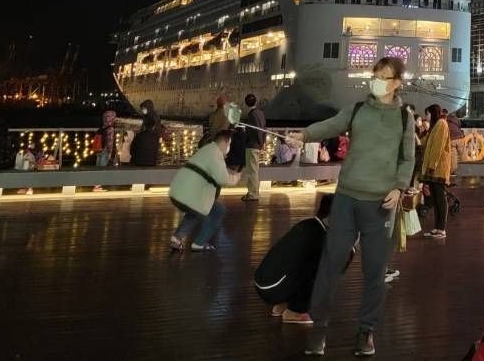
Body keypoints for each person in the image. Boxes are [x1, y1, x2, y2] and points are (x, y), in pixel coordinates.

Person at [302, 56, 418, 358]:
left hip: (381, 205)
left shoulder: (405, 119)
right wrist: (303, 134)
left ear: (396, 83)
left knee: (375, 271)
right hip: (346, 199)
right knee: (330, 262)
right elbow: (330, 125)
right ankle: (318, 329)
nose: (377, 80)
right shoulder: (356, 110)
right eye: (375, 74)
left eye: (384, 76)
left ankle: (366, 331)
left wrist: (399, 186)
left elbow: (407, 159)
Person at [254, 194, 348, 325]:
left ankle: (283, 303)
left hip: (264, 283)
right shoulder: (320, 237)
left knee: (306, 264)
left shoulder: (309, 224)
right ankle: (294, 312)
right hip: (273, 289)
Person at [167, 128, 240, 251]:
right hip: (189, 195)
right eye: (229, 144)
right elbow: (222, 179)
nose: (229, 148)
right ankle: (199, 243)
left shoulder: (207, 150)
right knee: (218, 210)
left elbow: (213, 171)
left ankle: (177, 238)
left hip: (177, 192)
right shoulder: (216, 154)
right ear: (224, 143)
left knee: (195, 210)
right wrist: (236, 177)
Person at [420, 104, 453, 239]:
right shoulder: (435, 125)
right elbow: (426, 144)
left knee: (440, 199)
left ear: (433, 113)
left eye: (427, 114)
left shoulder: (441, 124)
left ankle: (441, 229)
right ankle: (437, 228)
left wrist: (432, 165)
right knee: (436, 199)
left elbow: (437, 147)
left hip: (437, 169)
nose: (426, 118)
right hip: (433, 170)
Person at [240, 92, 268, 200]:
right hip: (258, 145)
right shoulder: (261, 113)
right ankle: (253, 192)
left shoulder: (251, 115)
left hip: (252, 145)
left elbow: (255, 131)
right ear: (256, 102)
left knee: (252, 171)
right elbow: (263, 129)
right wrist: (262, 143)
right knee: (255, 169)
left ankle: (253, 194)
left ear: (246, 104)